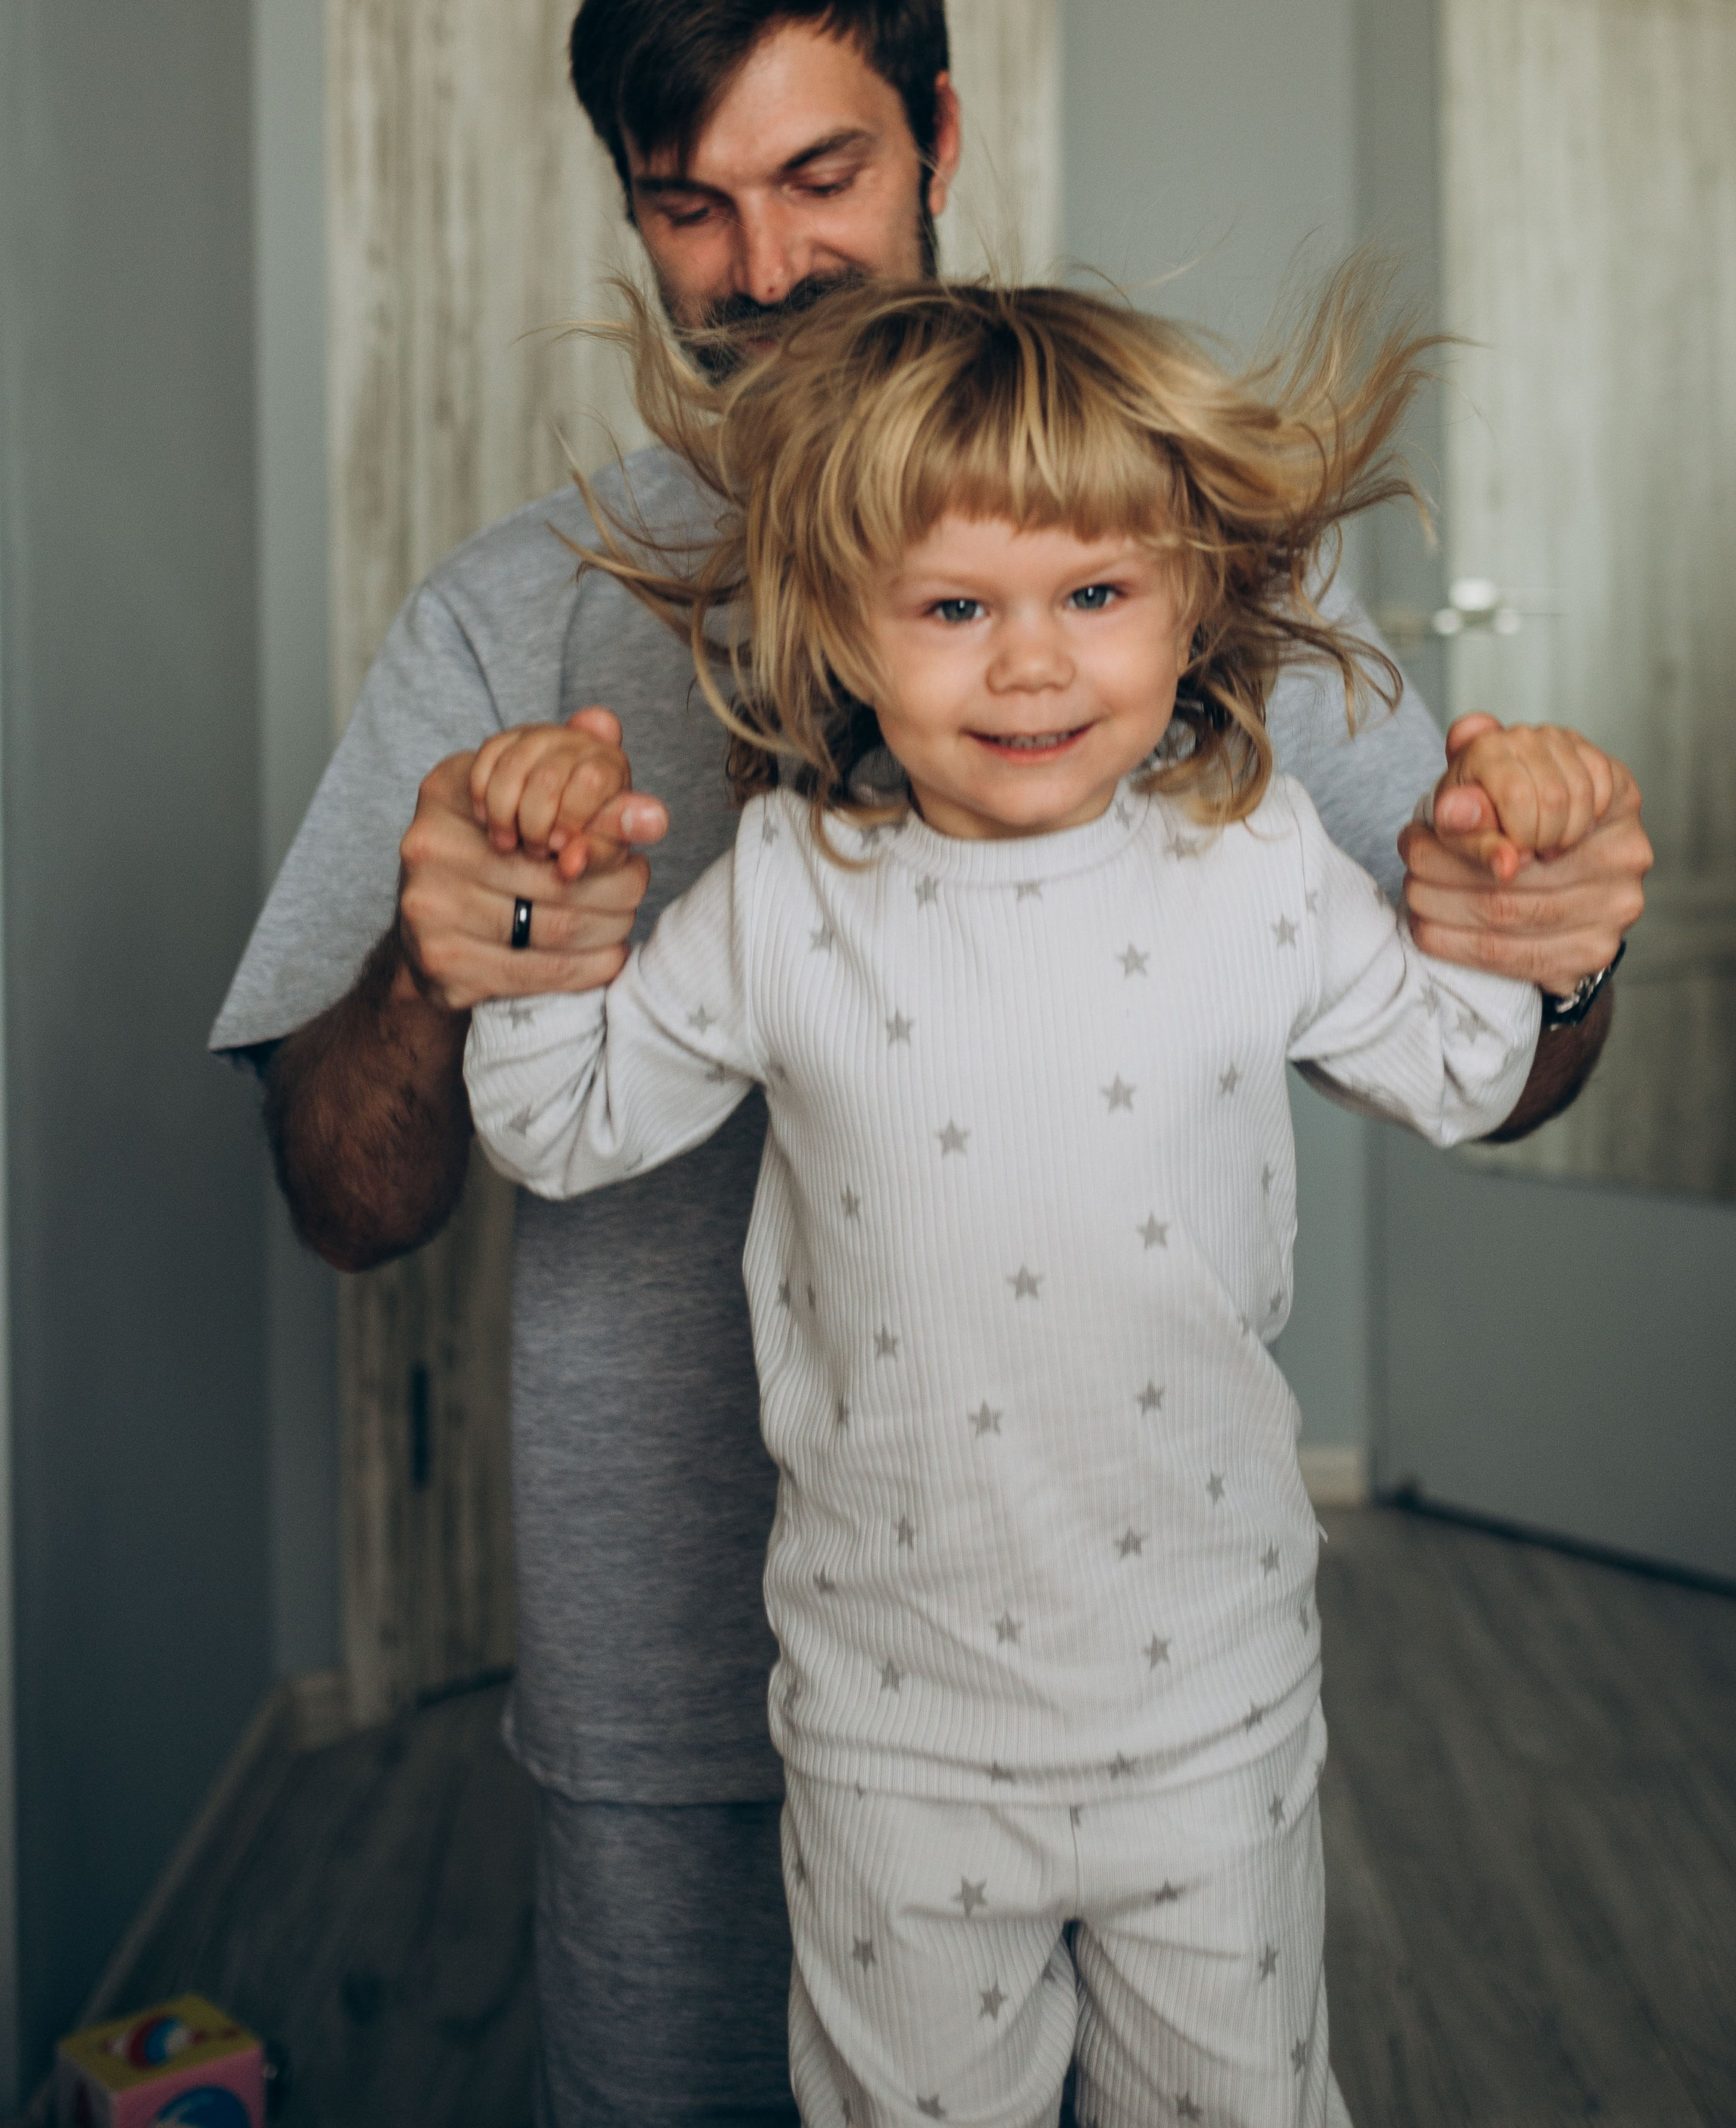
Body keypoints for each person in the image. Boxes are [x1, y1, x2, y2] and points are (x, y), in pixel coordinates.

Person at [211, 0, 1650, 2128]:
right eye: (690, 205)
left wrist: (1558, 930)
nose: (766, 263)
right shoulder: (528, 636)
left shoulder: (1184, 574)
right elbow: (347, 1192)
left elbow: (1496, 1055)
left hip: (1172, 1694)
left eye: (823, 173)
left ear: (941, 136)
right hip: (705, 1698)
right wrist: (454, 941)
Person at [461, 273, 1552, 2126]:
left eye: (1094, 597)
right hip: (892, 1740)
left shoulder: (1256, 858)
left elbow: (1466, 1068)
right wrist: (529, 905)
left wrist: (1501, 861)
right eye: (955, 608)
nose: (1031, 664)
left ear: (1188, 598)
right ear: (842, 627)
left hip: (1208, 1710)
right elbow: (558, 1125)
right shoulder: (791, 890)